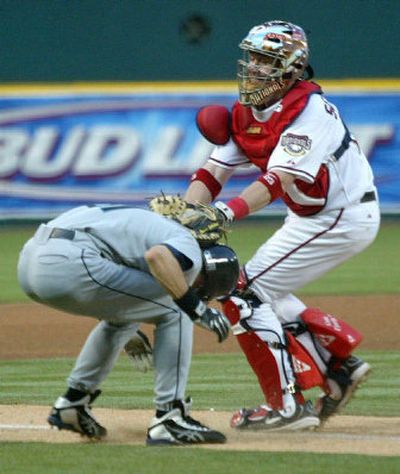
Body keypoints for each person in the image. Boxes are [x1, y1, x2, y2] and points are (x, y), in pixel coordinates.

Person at [184, 20, 380, 430]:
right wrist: (183, 217)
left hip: (341, 216)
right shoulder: (247, 112)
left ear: (291, 68)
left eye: (266, 59)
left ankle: (286, 407)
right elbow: (210, 175)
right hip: (314, 217)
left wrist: (223, 213)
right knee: (255, 289)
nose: (253, 67)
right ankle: (337, 367)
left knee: (242, 294)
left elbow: (277, 181)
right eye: (252, 57)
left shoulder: (311, 111)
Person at [17, 203, 239, 445]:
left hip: (30, 260)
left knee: (156, 303)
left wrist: (127, 319)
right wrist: (197, 309)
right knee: (177, 309)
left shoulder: (140, 222)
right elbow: (158, 257)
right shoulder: (185, 241)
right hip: (69, 261)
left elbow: (121, 291)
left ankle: (73, 403)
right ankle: (170, 417)